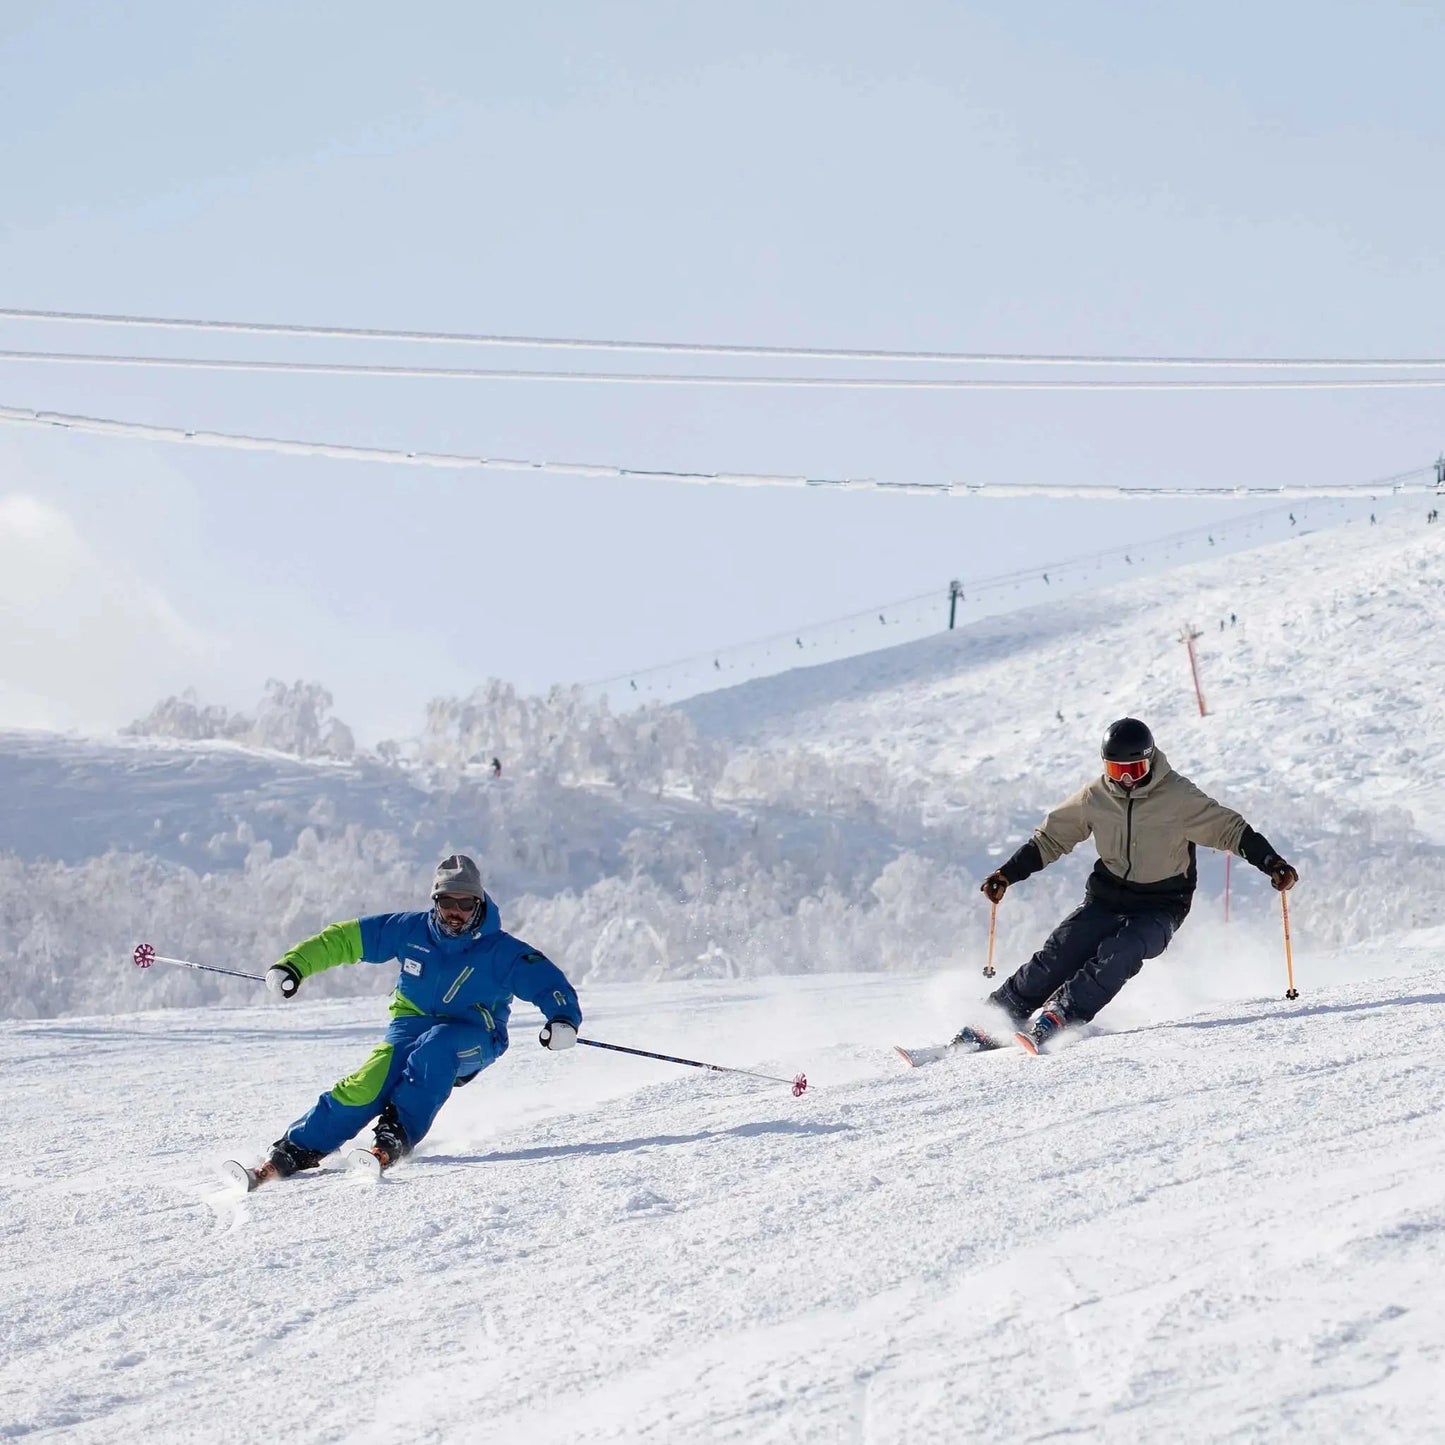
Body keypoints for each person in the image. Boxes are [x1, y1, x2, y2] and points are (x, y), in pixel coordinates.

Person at [243, 854, 582, 1184]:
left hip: (475, 1033)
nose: (456, 912)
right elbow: (342, 939)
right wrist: (294, 965)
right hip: (410, 1025)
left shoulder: (501, 951)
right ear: (435, 901)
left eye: (466, 905)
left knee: (436, 1048)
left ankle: (395, 1134)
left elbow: (548, 984)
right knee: (370, 1080)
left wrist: (562, 1019)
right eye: (448, 902)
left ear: (479, 905)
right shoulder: (410, 930)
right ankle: (296, 1149)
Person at [969, 718, 1297, 1053]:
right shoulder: (1094, 797)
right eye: (1116, 768)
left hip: (1162, 903)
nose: (1126, 779)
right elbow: (1052, 838)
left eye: (1136, 768)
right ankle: (1000, 1013)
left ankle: (1062, 1013)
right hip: (1107, 895)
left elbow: (1230, 830)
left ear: (1151, 760)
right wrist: (1007, 874)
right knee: (1062, 949)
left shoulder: (1177, 796)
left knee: (1120, 952)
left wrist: (1272, 862)